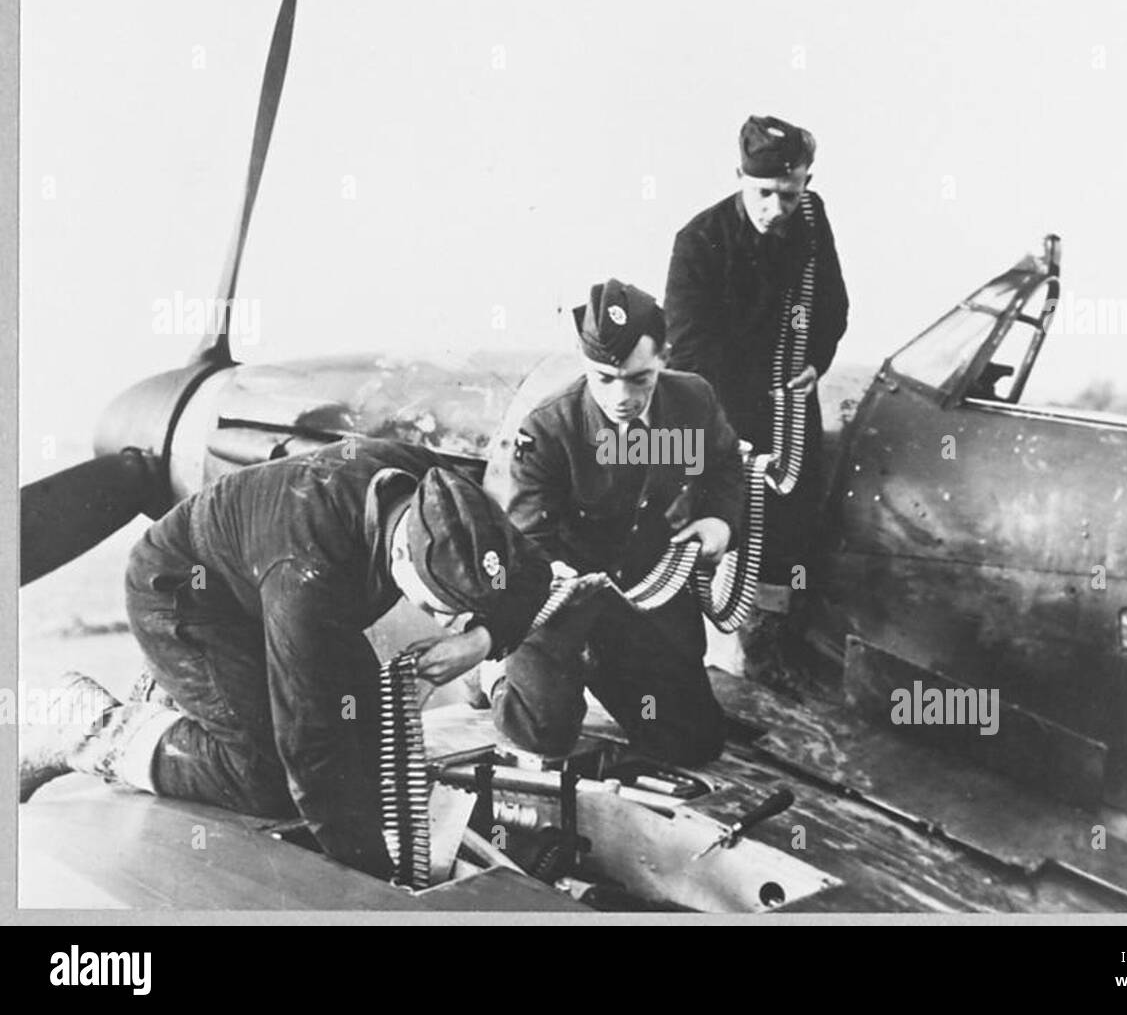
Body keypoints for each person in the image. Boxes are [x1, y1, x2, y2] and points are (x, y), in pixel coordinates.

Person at [18, 438, 552, 879]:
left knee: (368, 738)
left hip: (257, 580)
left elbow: (533, 572)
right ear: (398, 555)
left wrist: (478, 640)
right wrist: (369, 879)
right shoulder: (308, 575)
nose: (447, 623)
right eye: (439, 608)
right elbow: (310, 743)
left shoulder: (451, 503)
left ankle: (193, 701)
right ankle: (93, 726)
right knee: (268, 779)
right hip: (184, 592)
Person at [487, 278, 744, 766]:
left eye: (639, 378)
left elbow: (726, 464)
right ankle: (498, 677)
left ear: (663, 358)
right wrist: (565, 597)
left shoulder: (693, 401)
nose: (622, 396)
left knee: (692, 742)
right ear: (585, 366)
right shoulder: (549, 429)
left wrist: (719, 522)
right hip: (559, 594)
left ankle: (608, 670)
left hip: (647, 589)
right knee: (543, 733)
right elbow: (529, 543)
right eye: (604, 378)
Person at [663, 114, 850, 694]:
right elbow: (690, 347)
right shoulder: (698, 242)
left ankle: (769, 649)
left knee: (792, 526)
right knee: (718, 525)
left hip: (790, 409)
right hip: (720, 410)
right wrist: (729, 435)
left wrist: (814, 361)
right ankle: (699, 649)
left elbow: (833, 307)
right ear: (739, 177)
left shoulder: (812, 228)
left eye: (789, 194)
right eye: (763, 193)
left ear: (806, 183)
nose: (776, 207)